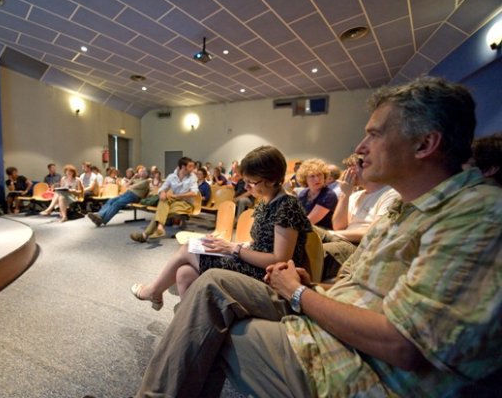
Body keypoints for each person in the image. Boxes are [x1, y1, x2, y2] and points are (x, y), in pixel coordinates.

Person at [133, 77, 501, 397]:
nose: (360, 148)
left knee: (199, 324)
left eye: (374, 134)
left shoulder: (479, 214)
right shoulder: (401, 209)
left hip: (355, 370)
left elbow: (403, 345)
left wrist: (298, 292)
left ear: (424, 145)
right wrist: (311, 288)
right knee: (205, 290)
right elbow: (354, 284)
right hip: (327, 323)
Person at [130, 146, 312, 310]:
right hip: (254, 264)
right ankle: (189, 324)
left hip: (268, 276)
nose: (247, 186)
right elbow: (261, 243)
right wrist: (230, 245)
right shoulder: (267, 201)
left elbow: (279, 259)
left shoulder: (286, 206)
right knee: (184, 273)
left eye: (251, 182)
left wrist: (234, 248)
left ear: (271, 180)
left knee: (188, 249)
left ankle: (154, 291)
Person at [316, 153, 399, 280]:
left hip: (358, 245)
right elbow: (339, 226)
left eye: (352, 168)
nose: (347, 173)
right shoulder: (355, 195)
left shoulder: (390, 193)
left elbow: (373, 232)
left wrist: (334, 234)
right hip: (342, 238)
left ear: (367, 168)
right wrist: (345, 195)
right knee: (306, 230)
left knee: (317, 250)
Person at [130, 157, 198, 242]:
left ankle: (146, 234)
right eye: (190, 166)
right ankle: (159, 228)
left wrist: (177, 196)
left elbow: (194, 193)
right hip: (173, 200)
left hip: (186, 203)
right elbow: (162, 188)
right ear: (183, 167)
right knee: (163, 200)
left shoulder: (192, 177)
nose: (193, 169)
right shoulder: (172, 177)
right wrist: (162, 193)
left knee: (161, 211)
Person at [296, 158, 338, 229]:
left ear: (324, 176)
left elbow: (309, 222)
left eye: (319, 175)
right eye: (312, 176)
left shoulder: (328, 195)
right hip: (305, 231)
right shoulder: (303, 193)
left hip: (322, 234)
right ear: (305, 179)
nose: (317, 179)